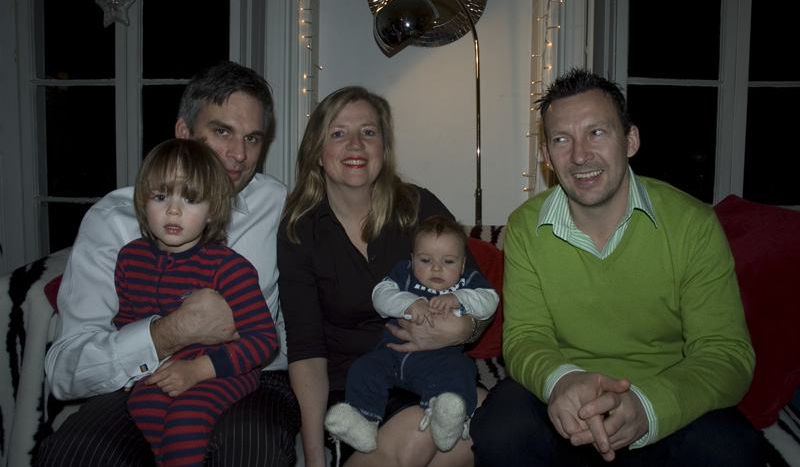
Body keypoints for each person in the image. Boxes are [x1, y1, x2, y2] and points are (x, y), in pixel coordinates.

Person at [470, 68, 767, 466]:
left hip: (663, 402)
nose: (580, 156)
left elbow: (725, 353)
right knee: (500, 428)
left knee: (733, 451)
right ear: (546, 155)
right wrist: (561, 381)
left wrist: (647, 406)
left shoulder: (692, 225)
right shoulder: (526, 226)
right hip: (565, 403)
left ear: (631, 140)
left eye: (596, 132)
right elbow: (525, 337)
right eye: (562, 139)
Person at [38, 61, 301, 467]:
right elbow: (64, 372)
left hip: (253, 376)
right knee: (76, 452)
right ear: (183, 131)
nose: (239, 154)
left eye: (252, 138)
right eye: (222, 131)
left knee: (249, 447)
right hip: (144, 378)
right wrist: (171, 332)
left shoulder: (275, 202)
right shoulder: (116, 221)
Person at [277, 86, 491, 467]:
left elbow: (478, 293)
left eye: (368, 132)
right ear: (317, 153)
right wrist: (313, 458)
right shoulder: (300, 231)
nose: (356, 145)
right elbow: (306, 352)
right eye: (338, 133)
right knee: (421, 435)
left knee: (494, 422)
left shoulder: (418, 206)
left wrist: (463, 329)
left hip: (437, 371)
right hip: (359, 385)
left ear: (383, 148)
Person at [115, 138, 278, 467]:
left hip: (226, 369)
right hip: (163, 367)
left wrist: (199, 369)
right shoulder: (131, 259)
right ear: (142, 201)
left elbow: (264, 340)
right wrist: (136, 370)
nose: (173, 210)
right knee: (143, 404)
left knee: (186, 419)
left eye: (190, 199)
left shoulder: (228, 267)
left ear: (212, 211)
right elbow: (125, 324)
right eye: (160, 197)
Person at [324, 215, 498, 454]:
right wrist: (409, 303)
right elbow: (380, 296)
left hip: (440, 361)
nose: (436, 268)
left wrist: (459, 299)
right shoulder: (404, 274)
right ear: (412, 259)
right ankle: (361, 420)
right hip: (392, 356)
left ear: (462, 264)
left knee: (462, 370)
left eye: (448, 261)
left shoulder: (467, 282)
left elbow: (490, 301)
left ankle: (445, 416)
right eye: (425, 260)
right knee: (363, 368)